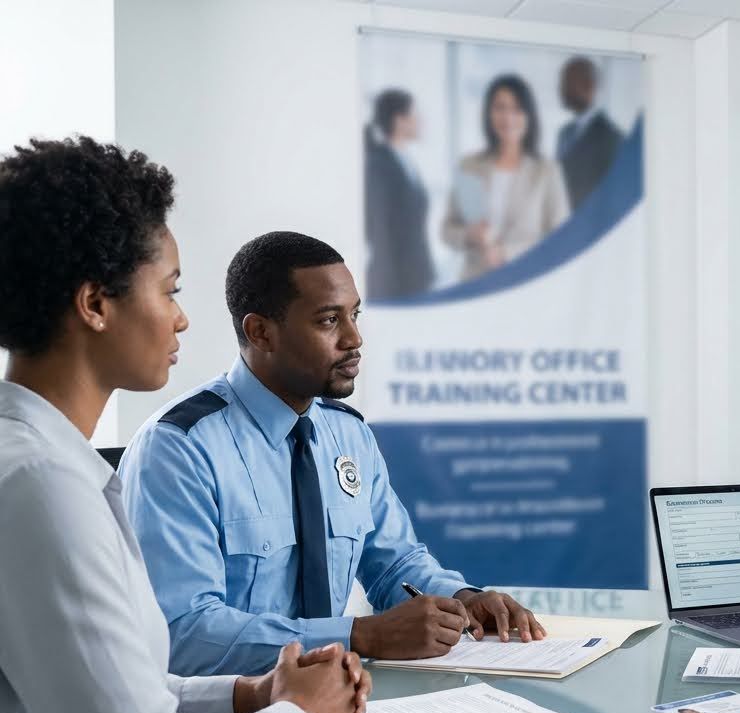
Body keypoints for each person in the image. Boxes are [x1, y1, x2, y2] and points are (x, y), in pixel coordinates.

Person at [0, 137, 370, 713]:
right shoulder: (40, 487)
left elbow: (122, 692)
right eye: (169, 290)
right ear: (95, 304)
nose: (182, 318)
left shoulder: (46, 466)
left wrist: (251, 695)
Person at [120, 230, 546, 677]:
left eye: (355, 315)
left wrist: (461, 600)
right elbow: (182, 633)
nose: (354, 338)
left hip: (342, 701)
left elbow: (395, 563)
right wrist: (358, 636)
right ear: (261, 332)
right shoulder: (179, 448)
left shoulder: (348, 434)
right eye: (328, 321)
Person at [442, 74, 569, 280]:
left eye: (517, 109)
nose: (507, 117)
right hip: (474, 284)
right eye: (499, 108)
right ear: (489, 113)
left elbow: (561, 240)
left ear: (529, 115)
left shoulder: (547, 171)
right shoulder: (469, 166)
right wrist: (470, 235)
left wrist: (507, 252)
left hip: (526, 285)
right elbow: (447, 230)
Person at [364, 88, 437, 300]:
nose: (421, 121)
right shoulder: (378, 164)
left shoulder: (405, 161)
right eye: (415, 114)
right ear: (399, 120)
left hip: (417, 277)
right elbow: (380, 230)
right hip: (395, 282)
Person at [555, 56, 624, 210]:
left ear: (589, 85)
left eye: (568, 82)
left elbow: (613, 197)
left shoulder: (612, 138)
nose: (561, 89)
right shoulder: (564, 133)